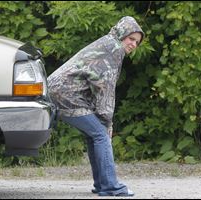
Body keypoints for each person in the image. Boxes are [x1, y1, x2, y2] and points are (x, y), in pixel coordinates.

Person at [47, 16, 144, 196]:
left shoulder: (109, 44)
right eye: (131, 39)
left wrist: (103, 120)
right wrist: (107, 121)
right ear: (122, 33)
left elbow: (94, 82)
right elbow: (104, 87)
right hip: (65, 94)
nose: (133, 45)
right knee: (101, 134)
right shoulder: (113, 49)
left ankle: (101, 184)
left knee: (95, 134)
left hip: (61, 92)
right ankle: (110, 186)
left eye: (137, 42)